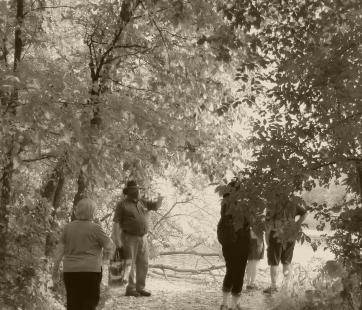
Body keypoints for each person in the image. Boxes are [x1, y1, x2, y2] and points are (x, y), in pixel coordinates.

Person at [52, 198, 114, 310]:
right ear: (93, 213)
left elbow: (59, 250)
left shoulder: (68, 228)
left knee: (73, 302)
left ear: (77, 211)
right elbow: (110, 246)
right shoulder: (96, 228)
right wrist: (104, 260)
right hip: (91, 271)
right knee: (89, 303)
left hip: (70, 271)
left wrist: (55, 270)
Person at [112, 180, 163, 297]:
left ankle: (140, 288)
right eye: (135, 189)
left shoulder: (142, 202)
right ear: (130, 191)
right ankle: (130, 288)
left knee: (144, 263)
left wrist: (160, 199)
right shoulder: (122, 204)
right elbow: (116, 222)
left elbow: (156, 206)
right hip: (129, 237)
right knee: (130, 263)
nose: (138, 191)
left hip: (143, 238)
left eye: (138, 189)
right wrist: (116, 238)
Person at [263, 192, 307, 294]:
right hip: (290, 236)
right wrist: (297, 224)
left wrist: (267, 240)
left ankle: (274, 286)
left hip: (276, 236)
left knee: (274, 263)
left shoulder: (271, 206)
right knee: (286, 262)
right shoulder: (292, 204)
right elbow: (305, 213)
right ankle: (286, 287)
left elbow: (267, 225)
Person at [217, 190, 251, 310]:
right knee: (238, 273)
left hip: (231, 245)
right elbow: (249, 223)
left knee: (231, 271)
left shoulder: (225, 205)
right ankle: (231, 304)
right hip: (238, 244)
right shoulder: (241, 206)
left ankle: (226, 303)